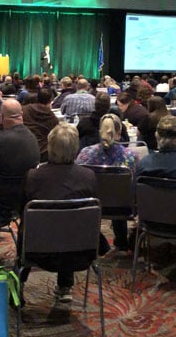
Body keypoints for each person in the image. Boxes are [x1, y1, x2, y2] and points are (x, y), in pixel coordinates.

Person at [20, 124, 100, 302]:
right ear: (76, 148)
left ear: (49, 147)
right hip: (80, 252)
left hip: (37, 251)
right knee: (70, 224)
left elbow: (22, 212)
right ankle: (65, 285)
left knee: (32, 224)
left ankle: (19, 282)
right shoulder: (88, 176)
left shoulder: (33, 176)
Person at [78, 113, 139, 249]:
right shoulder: (131, 156)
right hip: (125, 207)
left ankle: (99, 243)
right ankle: (122, 240)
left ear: (100, 130)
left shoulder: (85, 154)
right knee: (119, 192)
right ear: (119, 131)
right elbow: (135, 185)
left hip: (91, 204)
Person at [22, 89, 61, 157]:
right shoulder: (52, 118)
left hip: (24, 148)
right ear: (50, 101)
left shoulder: (24, 110)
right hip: (43, 153)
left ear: (37, 98)